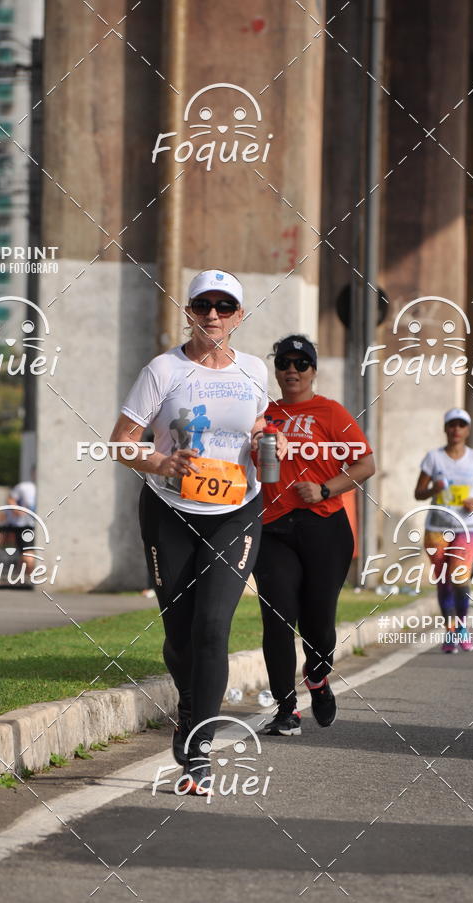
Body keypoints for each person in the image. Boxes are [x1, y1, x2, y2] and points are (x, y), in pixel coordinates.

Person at [110, 269, 286, 794]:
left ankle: (198, 754)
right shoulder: (163, 370)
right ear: (188, 311)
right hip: (170, 511)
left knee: (213, 627)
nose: (213, 314)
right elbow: (121, 442)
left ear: (238, 316)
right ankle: (190, 706)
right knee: (180, 635)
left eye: (224, 306)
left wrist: (266, 438)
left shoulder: (255, 371)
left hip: (237, 510)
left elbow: (259, 427)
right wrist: (161, 463)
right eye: (202, 305)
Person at [253, 335, 375, 737]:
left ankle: (318, 678)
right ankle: (286, 709)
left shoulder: (330, 412)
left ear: (313, 370)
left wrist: (325, 489)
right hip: (274, 529)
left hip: (324, 527)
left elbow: (366, 463)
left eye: (300, 363)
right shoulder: (262, 413)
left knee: (319, 622)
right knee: (277, 618)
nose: (291, 370)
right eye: (284, 362)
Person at [414, 408, 473, 653]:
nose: (456, 429)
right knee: (444, 581)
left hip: (466, 528)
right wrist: (433, 488)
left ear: (467, 430)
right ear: (445, 429)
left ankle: (462, 627)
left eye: (461, 425)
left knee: (460, 579)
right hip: (436, 529)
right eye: (452, 425)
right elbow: (418, 493)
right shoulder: (433, 458)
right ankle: (449, 633)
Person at [7, 469, 37, 574]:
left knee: (26, 555)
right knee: (28, 555)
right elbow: (11, 499)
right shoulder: (25, 487)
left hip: (42, 527)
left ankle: (22, 577)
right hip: (25, 526)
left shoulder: (51, 487)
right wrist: (16, 510)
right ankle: (28, 578)